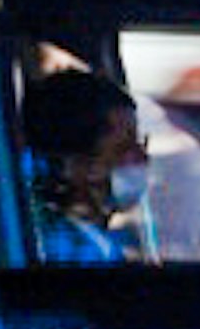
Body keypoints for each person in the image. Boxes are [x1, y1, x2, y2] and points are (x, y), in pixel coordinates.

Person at [19, 58, 151, 266]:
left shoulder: (95, 244)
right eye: (125, 148)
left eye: (141, 144)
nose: (143, 158)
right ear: (77, 165)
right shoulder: (70, 252)